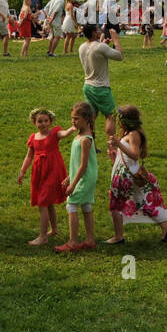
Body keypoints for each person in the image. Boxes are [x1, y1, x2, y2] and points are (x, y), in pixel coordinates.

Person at [106, 104, 167, 243]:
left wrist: (119, 145)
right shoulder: (127, 134)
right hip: (126, 173)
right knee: (142, 202)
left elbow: (135, 155)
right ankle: (165, 226)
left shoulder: (133, 135)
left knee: (115, 205)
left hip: (126, 176)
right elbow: (127, 156)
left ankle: (118, 236)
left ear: (125, 121)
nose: (118, 123)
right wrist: (114, 155)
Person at [18, 108, 68, 246]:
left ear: (50, 122)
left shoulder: (54, 133)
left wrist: (71, 129)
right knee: (49, 202)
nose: (43, 124)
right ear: (34, 122)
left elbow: (63, 134)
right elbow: (29, 156)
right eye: (40, 121)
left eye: (46, 121)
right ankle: (54, 230)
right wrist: (22, 171)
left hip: (53, 171)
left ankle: (43, 236)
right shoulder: (33, 138)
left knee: (43, 203)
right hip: (40, 173)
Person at [57, 101, 97, 252]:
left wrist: (73, 184)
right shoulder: (80, 135)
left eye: (76, 119)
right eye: (72, 118)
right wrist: (69, 177)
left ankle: (73, 242)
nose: (73, 121)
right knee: (86, 206)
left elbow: (84, 165)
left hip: (84, 178)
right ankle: (90, 240)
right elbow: (76, 163)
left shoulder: (85, 139)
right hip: (82, 176)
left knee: (71, 204)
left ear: (86, 119)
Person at [77, 24, 123, 143]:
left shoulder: (81, 47)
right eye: (97, 30)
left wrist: (104, 44)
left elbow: (95, 55)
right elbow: (119, 56)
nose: (99, 31)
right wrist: (116, 40)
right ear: (93, 33)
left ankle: (88, 144)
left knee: (90, 118)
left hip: (87, 86)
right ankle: (112, 145)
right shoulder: (100, 47)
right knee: (111, 116)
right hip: (101, 87)